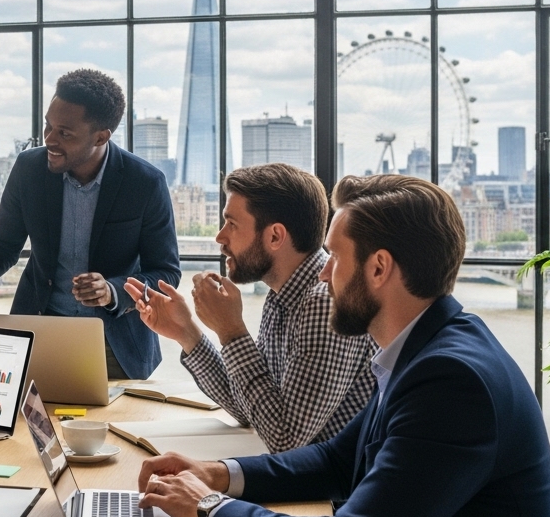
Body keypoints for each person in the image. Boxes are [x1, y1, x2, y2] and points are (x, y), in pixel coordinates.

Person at [135, 174, 550, 517]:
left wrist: (211, 509)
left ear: (379, 268)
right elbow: (334, 460)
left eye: (333, 257)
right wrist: (215, 475)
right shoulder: (427, 350)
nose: (323, 273)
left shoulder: (451, 381)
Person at [0, 69, 179, 380]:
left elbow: (166, 273)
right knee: (27, 426)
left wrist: (111, 291)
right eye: (48, 126)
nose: (50, 139)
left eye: (64, 133)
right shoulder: (29, 169)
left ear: (101, 137)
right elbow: (3, 244)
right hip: (38, 330)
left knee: (111, 428)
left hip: (115, 343)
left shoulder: (145, 182)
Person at [124, 163, 374, 452]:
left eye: (232, 224)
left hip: (329, 494)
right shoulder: (282, 295)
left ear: (275, 236)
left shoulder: (323, 302)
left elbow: (284, 439)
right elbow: (249, 409)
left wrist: (231, 331)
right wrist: (186, 332)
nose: (220, 238)